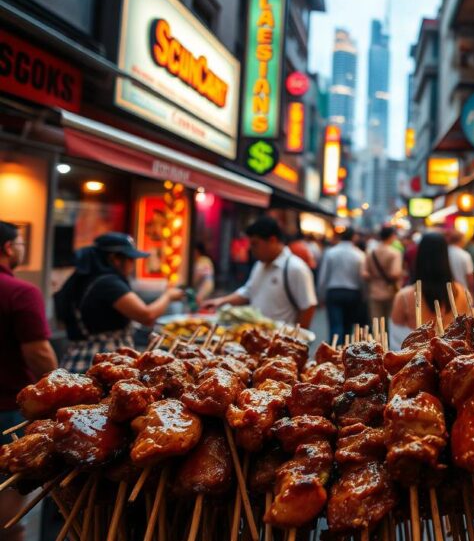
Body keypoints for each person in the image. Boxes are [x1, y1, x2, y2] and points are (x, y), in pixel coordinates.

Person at [0, 223, 57, 541]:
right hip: (8, 408)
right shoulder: (20, 292)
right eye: (20, 243)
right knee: (9, 503)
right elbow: (38, 353)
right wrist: (61, 395)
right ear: (9, 247)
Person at [55, 233, 184, 372]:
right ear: (114, 259)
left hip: (76, 357)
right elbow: (147, 316)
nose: (133, 265)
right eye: (130, 260)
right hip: (103, 361)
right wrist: (168, 296)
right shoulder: (109, 283)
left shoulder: (84, 278)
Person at [203, 217, 317, 328]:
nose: (251, 249)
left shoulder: (296, 268)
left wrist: (297, 339)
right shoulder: (260, 265)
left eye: (255, 244)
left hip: (279, 341)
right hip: (256, 336)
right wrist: (221, 301)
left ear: (272, 240)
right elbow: (248, 291)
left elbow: (308, 306)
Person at [392, 232, 471, 336]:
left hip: (419, 352)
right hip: (455, 351)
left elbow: (397, 337)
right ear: (446, 256)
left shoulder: (404, 296)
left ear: (419, 256)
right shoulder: (463, 292)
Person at [315, 228, 365, 340]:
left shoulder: (330, 253)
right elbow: (361, 278)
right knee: (348, 326)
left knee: (335, 325)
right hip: (353, 293)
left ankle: (333, 352)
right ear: (353, 237)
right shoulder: (359, 254)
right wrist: (363, 294)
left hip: (334, 292)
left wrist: (320, 295)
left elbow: (323, 276)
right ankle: (344, 351)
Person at [362, 226, 403, 324]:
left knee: (376, 323)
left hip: (374, 291)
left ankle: (378, 339)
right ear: (392, 236)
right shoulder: (394, 253)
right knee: (390, 322)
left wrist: (374, 276)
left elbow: (364, 273)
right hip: (390, 291)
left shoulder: (371, 252)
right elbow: (395, 273)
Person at [446, 229, 474, 298]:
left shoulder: (444, 254)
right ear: (461, 240)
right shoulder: (465, 255)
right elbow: (470, 278)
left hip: (447, 293)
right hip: (463, 293)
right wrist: (472, 294)